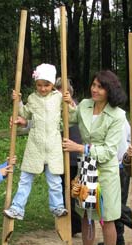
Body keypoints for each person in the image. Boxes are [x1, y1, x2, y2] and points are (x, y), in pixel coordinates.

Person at [62, 70, 126, 245]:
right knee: (86, 215)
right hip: (85, 169)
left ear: (110, 90)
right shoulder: (85, 105)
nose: (95, 89)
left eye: (100, 86)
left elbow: (109, 151)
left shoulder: (117, 115)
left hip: (105, 173)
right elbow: (68, 118)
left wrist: (80, 147)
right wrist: (64, 102)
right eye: (93, 85)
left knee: (107, 218)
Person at [4, 63, 73, 220]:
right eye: (39, 85)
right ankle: (17, 208)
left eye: (46, 85)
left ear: (53, 84)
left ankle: (57, 207)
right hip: (35, 144)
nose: (42, 89)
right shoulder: (32, 98)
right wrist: (18, 102)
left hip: (53, 145)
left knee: (55, 181)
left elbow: (72, 116)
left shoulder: (59, 98)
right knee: (25, 179)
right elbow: (25, 113)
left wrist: (69, 102)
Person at [55, 77, 82, 236]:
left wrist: (70, 103)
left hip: (73, 155)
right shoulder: (54, 109)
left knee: (71, 189)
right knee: (61, 188)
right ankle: (68, 221)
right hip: (58, 155)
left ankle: (75, 224)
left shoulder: (76, 108)